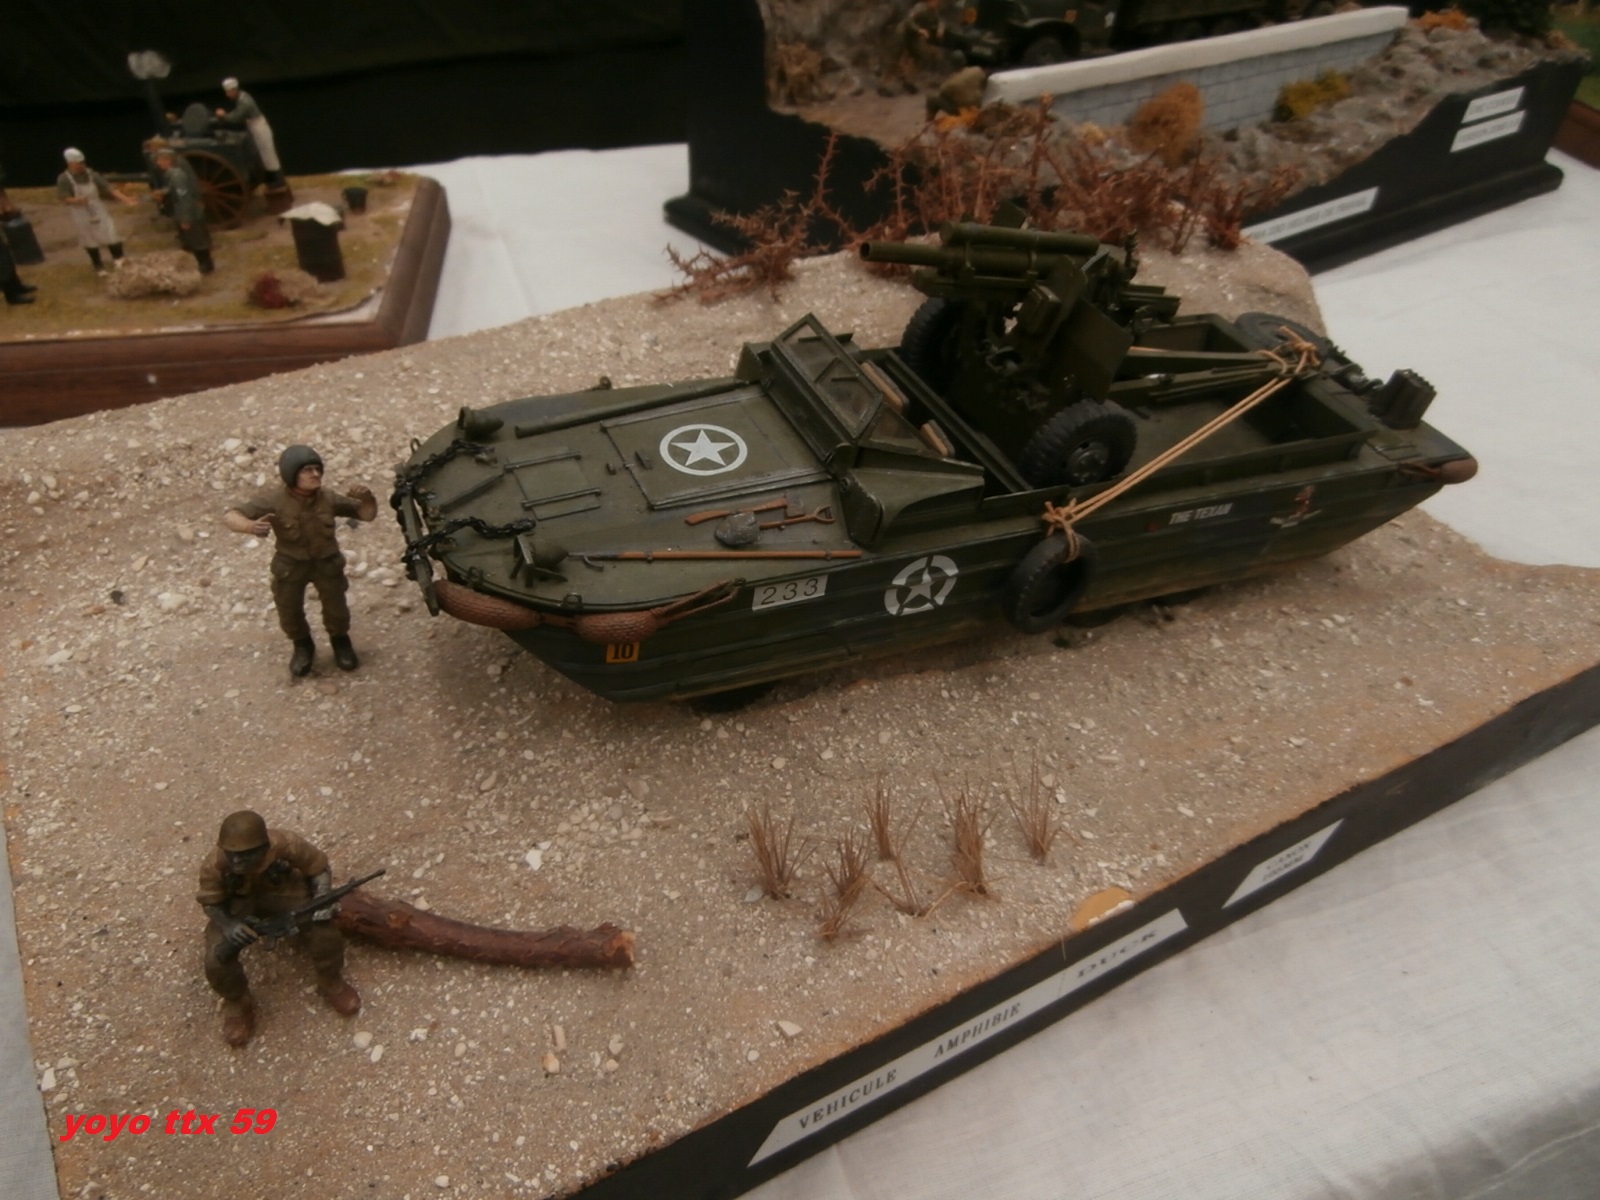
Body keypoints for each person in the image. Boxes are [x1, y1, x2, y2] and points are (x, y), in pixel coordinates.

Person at [197, 810, 361, 1047]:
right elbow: (211, 903)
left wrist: (322, 898)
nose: (236, 862)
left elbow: (319, 869)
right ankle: (237, 1003)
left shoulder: (287, 845)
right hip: (238, 907)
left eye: (244, 856)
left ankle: (331, 981)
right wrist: (230, 925)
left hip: (284, 894)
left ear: (262, 847)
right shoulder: (214, 864)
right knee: (216, 959)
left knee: (324, 932)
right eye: (232, 855)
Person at [223, 444, 377, 676]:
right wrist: (250, 526)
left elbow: (366, 514)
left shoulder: (328, 498)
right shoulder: (275, 500)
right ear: (292, 474)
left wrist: (367, 498)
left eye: (317, 469)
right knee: (289, 611)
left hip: (327, 563)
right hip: (291, 566)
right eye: (307, 470)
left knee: (336, 609)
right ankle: (303, 646)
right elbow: (231, 515)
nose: (315, 474)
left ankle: (340, 642)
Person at [56, 148, 137, 274]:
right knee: (89, 238)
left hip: (97, 208)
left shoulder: (92, 175)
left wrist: (125, 199)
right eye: (78, 164)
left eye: (83, 163)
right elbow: (64, 197)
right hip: (80, 212)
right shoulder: (64, 179)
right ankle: (98, 265)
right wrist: (76, 200)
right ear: (70, 163)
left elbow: (109, 189)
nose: (82, 166)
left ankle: (119, 259)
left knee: (110, 232)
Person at [150, 145, 214, 274]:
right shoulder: (172, 174)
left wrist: (185, 219)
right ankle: (203, 263)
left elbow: (184, 198)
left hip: (191, 213)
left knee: (197, 240)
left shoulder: (177, 176)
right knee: (193, 240)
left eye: (160, 160)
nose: (158, 163)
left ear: (168, 161)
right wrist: (163, 192)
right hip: (187, 211)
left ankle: (206, 265)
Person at [215, 78, 284, 185]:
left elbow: (235, 117)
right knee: (262, 153)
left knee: (267, 152)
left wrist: (223, 115)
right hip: (254, 126)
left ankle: (278, 179)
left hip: (259, 127)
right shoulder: (242, 97)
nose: (227, 95)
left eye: (228, 92)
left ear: (234, 90)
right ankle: (271, 177)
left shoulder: (245, 102)